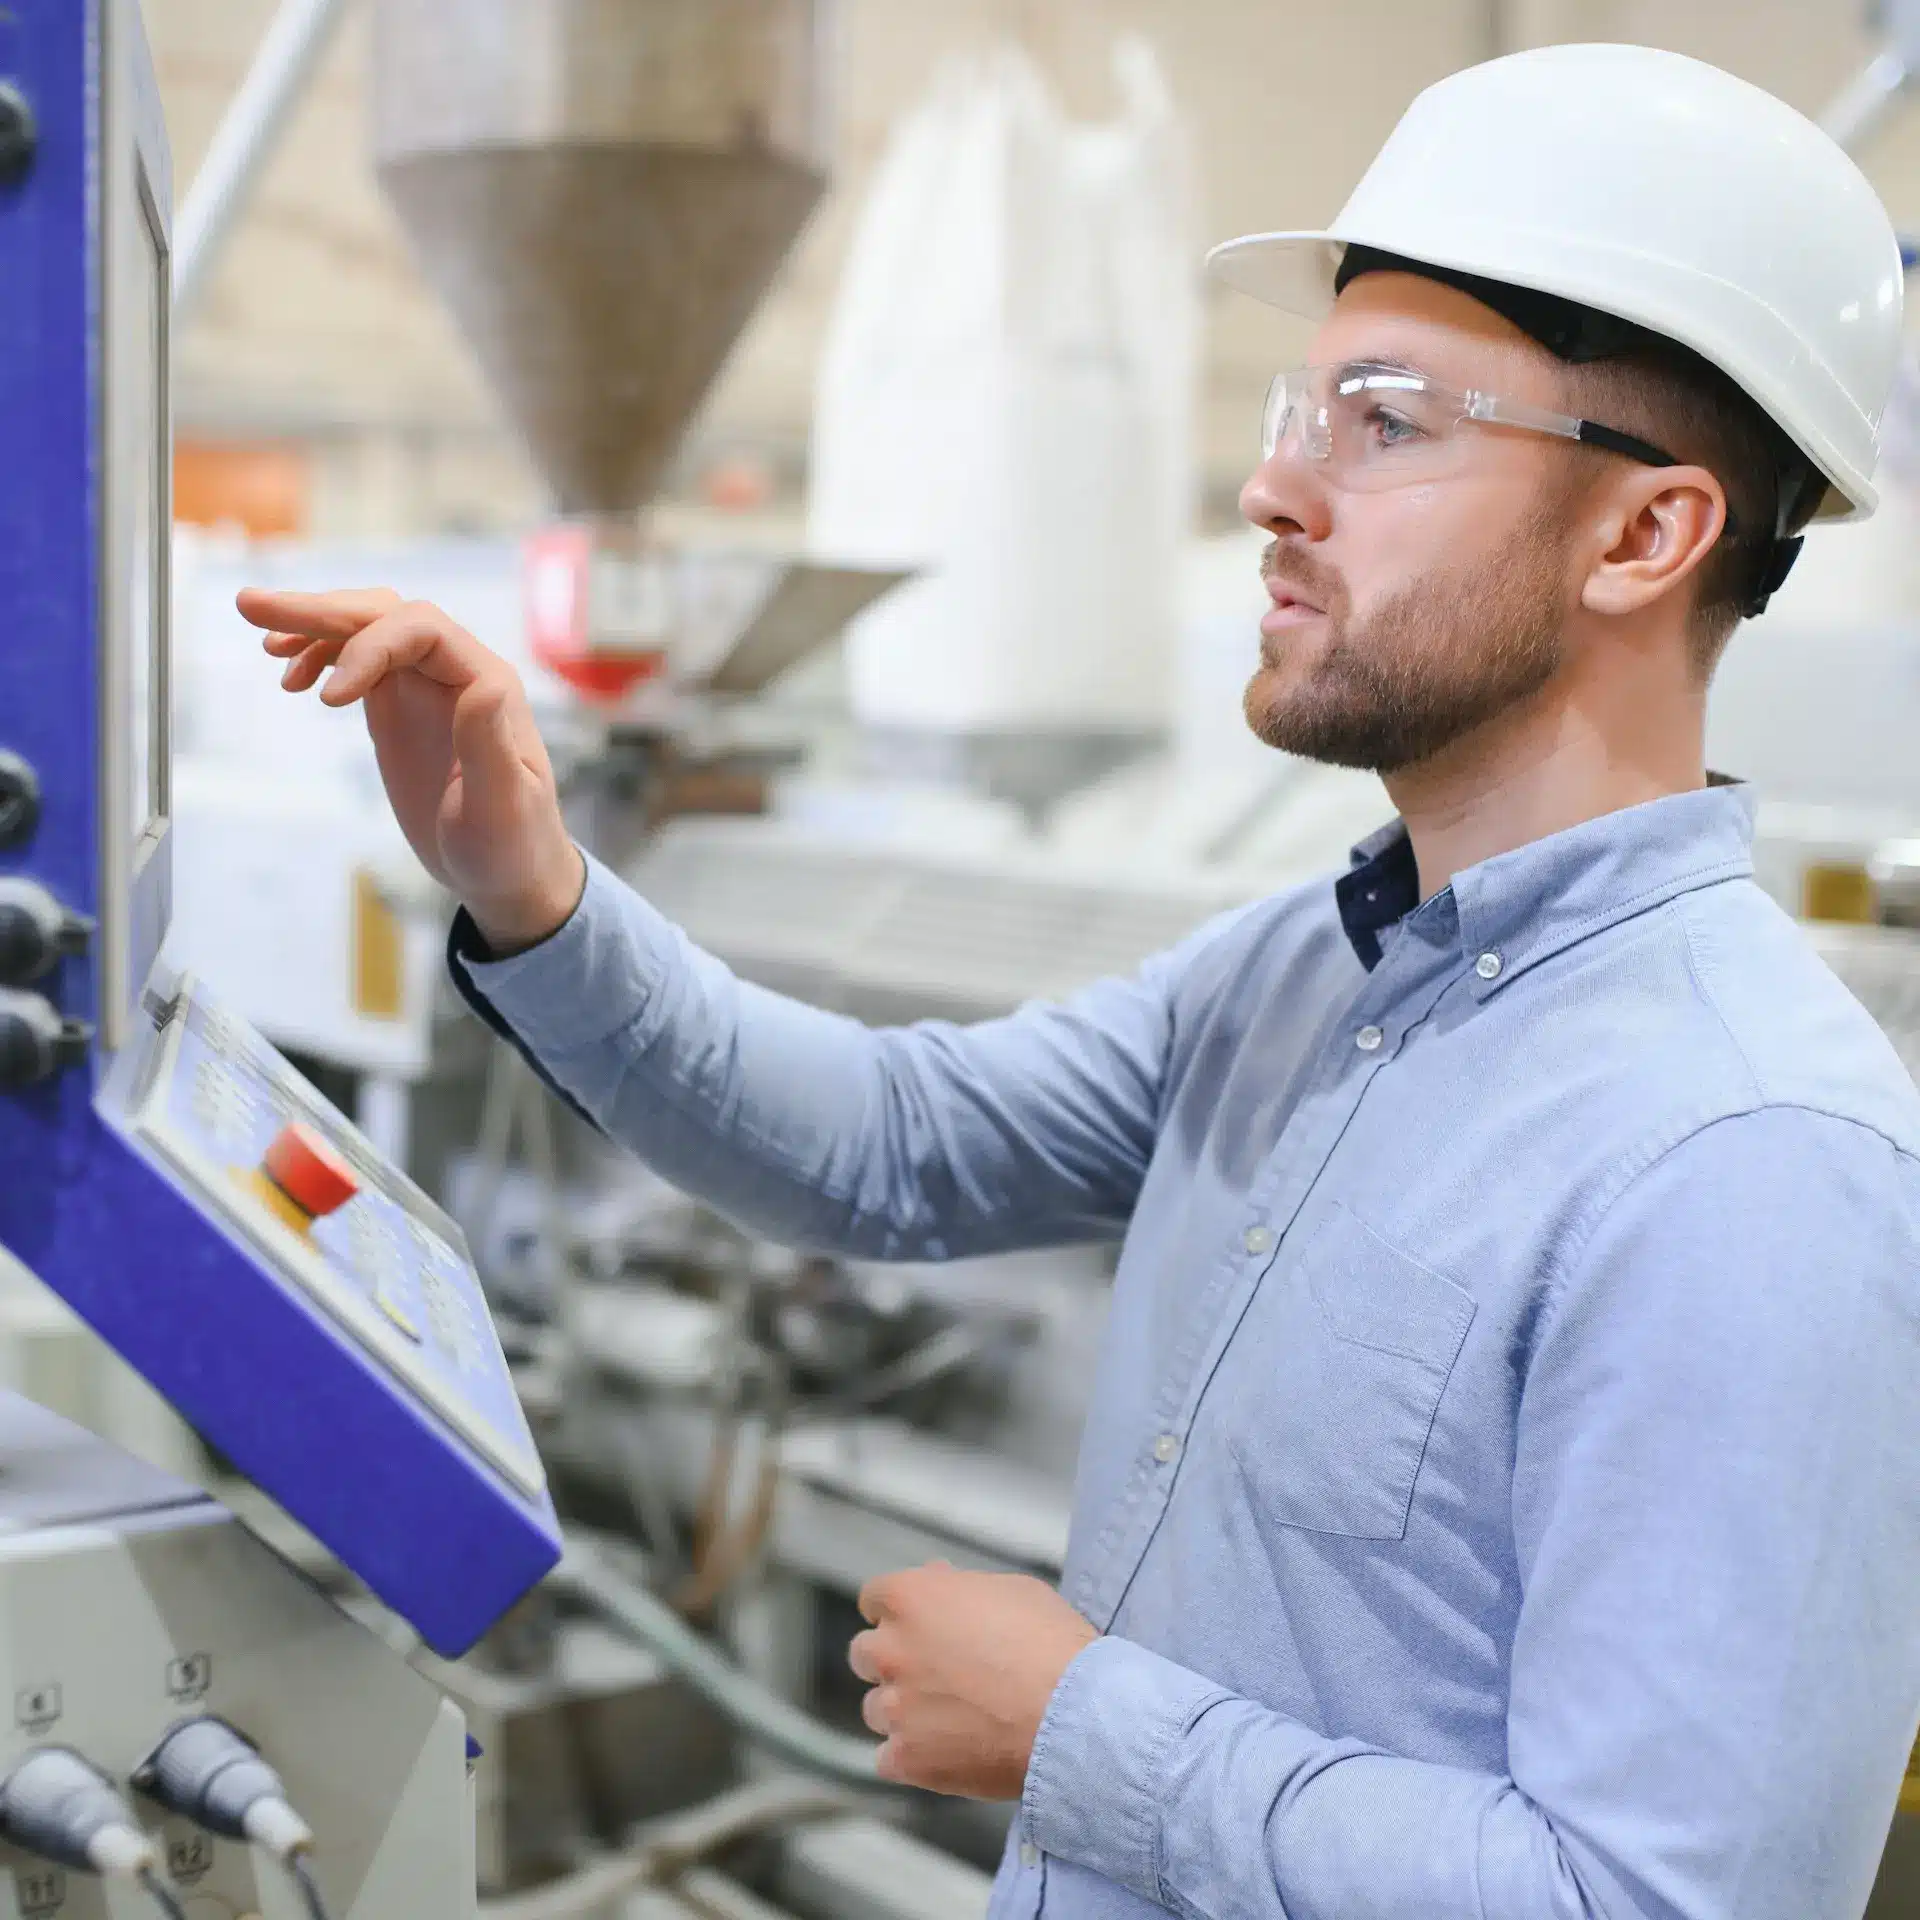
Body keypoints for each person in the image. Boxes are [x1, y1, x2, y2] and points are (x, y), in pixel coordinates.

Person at [242, 42, 1920, 1920]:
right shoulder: (1307, 968)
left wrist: (1080, 1734)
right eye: (1305, 407)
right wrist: (533, 881)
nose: (1276, 486)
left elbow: (1661, 1900)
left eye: (1385, 422)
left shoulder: (1755, 1161)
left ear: (1646, 532)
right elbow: (893, 1144)